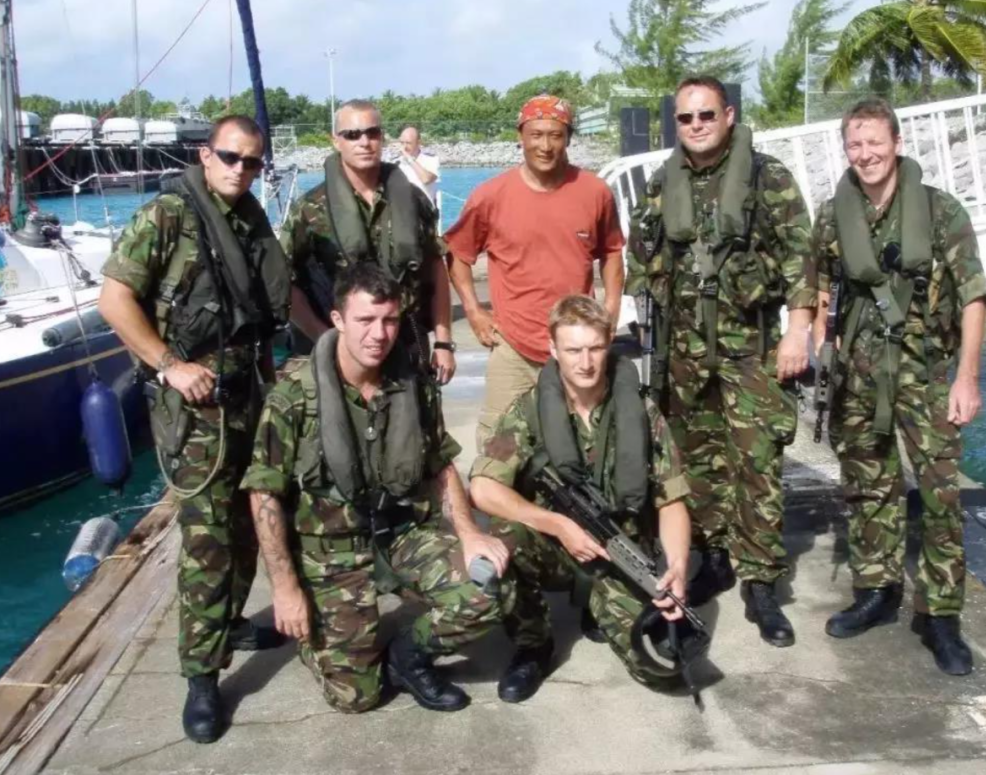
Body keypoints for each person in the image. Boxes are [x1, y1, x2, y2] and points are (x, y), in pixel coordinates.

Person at [97, 115, 291, 744]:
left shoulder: (249, 218)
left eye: (252, 161)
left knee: (247, 525)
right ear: (206, 155)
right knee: (208, 541)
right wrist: (169, 365)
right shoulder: (168, 216)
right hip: (196, 407)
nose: (241, 169)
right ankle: (202, 675)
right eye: (231, 157)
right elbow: (114, 300)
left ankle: (229, 621)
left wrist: (271, 383)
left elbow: (255, 314)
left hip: (247, 393)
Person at [241, 263, 511, 713]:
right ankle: (325, 642)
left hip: (401, 534)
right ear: (338, 319)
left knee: (487, 590)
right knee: (355, 697)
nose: (379, 334)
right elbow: (263, 495)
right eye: (365, 320)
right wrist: (285, 589)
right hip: (332, 553)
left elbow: (441, 464)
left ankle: (408, 654)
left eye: (389, 320)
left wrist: (469, 534)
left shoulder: (411, 384)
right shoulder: (294, 398)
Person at [626, 75, 816, 649]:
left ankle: (761, 580)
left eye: (706, 114)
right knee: (696, 462)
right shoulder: (663, 183)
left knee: (757, 463)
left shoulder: (767, 177)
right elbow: (641, 258)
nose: (696, 126)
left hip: (749, 347)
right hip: (684, 351)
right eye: (685, 118)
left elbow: (801, 258)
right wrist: (643, 328)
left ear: (728, 115)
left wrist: (798, 331)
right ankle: (711, 559)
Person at [811, 97, 986, 676]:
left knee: (941, 495)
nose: (865, 154)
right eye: (855, 144)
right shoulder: (832, 216)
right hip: (857, 377)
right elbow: (818, 287)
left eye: (874, 142)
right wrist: (823, 350)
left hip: (926, 374)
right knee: (868, 488)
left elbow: (973, 294)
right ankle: (877, 590)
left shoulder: (940, 211)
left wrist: (967, 377)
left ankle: (941, 615)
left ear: (896, 143)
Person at [470, 295, 696, 702]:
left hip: (616, 550)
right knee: (505, 537)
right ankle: (533, 645)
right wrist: (556, 524)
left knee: (664, 669)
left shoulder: (641, 412)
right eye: (573, 350)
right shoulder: (529, 411)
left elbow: (671, 499)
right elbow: (483, 487)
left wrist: (677, 565)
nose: (586, 362)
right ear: (553, 349)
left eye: (595, 348)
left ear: (609, 344)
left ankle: (598, 604)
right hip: (552, 546)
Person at [445, 95, 626, 449]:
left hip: (576, 347)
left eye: (555, 135)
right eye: (536, 135)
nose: (545, 146)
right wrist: (474, 310)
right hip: (513, 346)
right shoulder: (490, 196)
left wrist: (612, 310)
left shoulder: (595, 192)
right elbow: (457, 254)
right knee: (499, 448)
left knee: (583, 446)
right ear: (521, 136)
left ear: (568, 138)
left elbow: (612, 252)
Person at [281, 100, 456, 384]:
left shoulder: (412, 201)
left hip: (406, 346)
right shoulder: (309, 209)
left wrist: (444, 342)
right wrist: (323, 338)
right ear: (336, 141)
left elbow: (436, 269)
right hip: (340, 355)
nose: (364, 142)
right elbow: (283, 284)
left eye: (372, 133)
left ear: (382, 137)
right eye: (352, 134)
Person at [395, 125, 440, 206]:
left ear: (418, 143)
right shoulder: (396, 163)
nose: (404, 147)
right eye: (402, 143)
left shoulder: (431, 160)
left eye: (408, 143)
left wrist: (409, 159)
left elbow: (426, 179)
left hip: (423, 211)